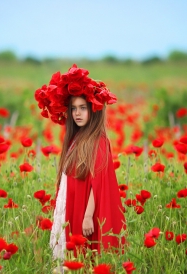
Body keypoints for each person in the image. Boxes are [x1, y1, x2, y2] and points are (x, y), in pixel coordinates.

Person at [34, 64, 126, 260]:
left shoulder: (98, 141)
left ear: (93, 109)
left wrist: (87, 215)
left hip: (84, 205)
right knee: (68, 254)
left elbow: (98, 183)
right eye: (74, 109)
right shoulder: (76, 138)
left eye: (83, 108)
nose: (77, 113)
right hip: (70, 200)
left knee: (81, 254)